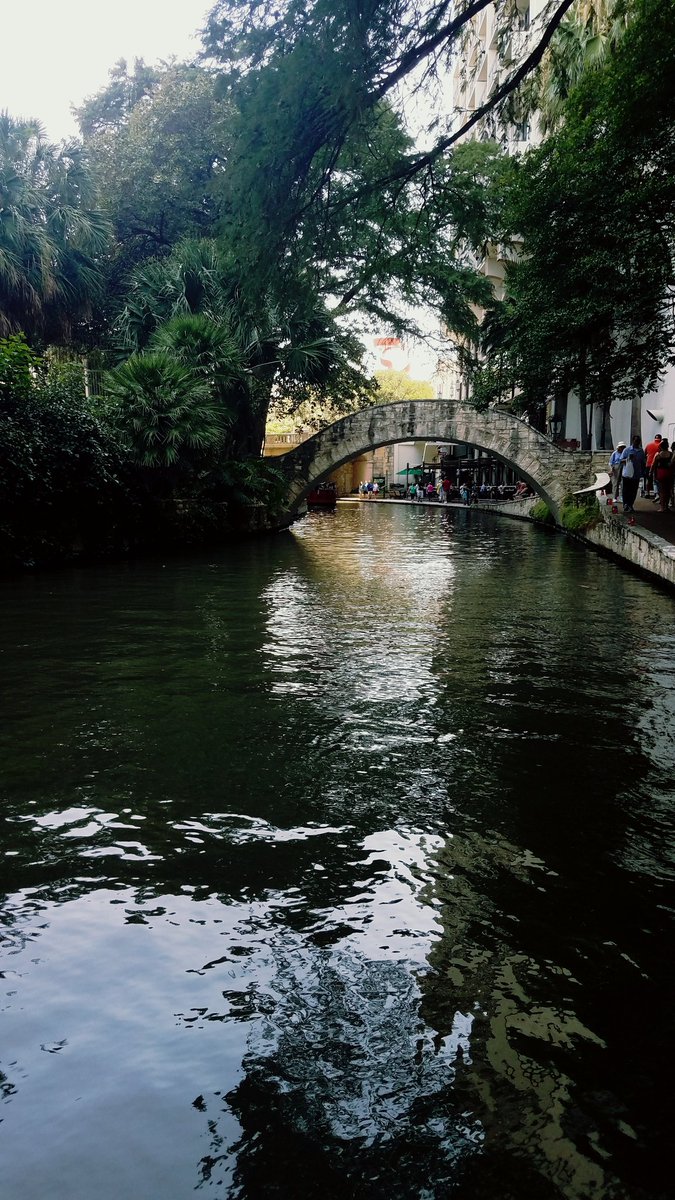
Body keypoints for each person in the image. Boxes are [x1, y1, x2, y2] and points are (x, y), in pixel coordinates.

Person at [620, 436, 646, 513]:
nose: (637, 443)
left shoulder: (641, 451)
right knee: (626, 490)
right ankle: (625, 504)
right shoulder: (627, 450)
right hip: (627, 474)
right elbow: (620, 461)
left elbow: (643, 463)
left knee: (633, 491)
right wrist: (628, 458)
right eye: (636, 441)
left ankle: (630, 505)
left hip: (636, 475)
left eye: (638, 441)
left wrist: (643, 472)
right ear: (633, 441)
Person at [653, 439, 673, 513]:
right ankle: (667, 507)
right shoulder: (671, 454)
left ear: (661, 447)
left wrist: (654, 475)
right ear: (667, 446)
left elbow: (655, 466)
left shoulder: (658, 455)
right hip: (669, 473)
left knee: (661, 491)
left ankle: (662, 507)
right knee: (668, 491)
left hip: (660, 473)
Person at [644, 433, 662, 498]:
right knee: (656, 480)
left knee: (648, 479)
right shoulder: (661, 446)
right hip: (657, 465)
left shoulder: (648, 445)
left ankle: (647, 492)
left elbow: (645, 454)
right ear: (661, 439)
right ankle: (656, 494)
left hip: (648, 464)